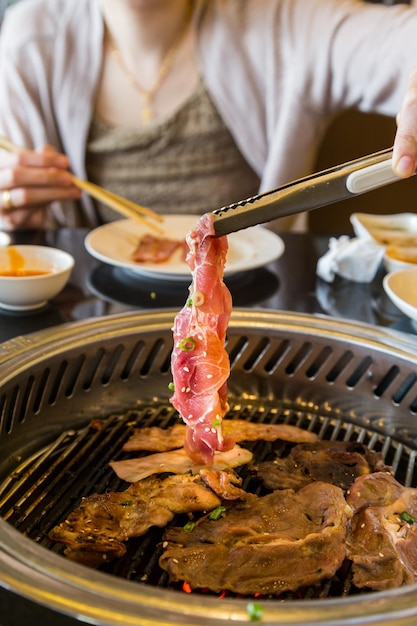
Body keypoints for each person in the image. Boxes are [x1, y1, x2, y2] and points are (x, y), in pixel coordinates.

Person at [0, 0, 417, 232]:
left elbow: (399, 40)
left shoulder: (282, 17)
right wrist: (13, 214)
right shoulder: (31, 40)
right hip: (88, 320)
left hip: (262, 316)